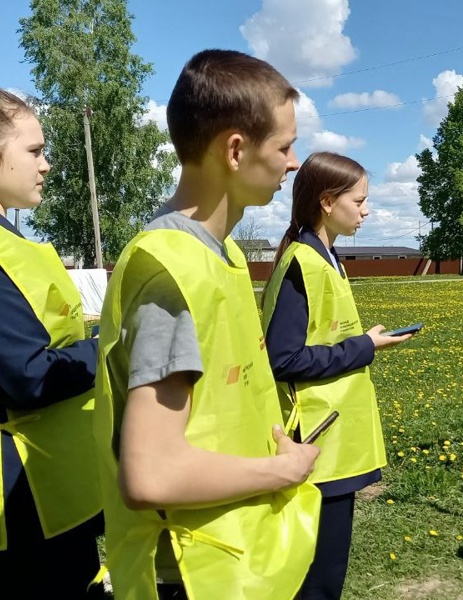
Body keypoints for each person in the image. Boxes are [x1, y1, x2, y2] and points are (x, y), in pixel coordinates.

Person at [93, 50, 322, 599]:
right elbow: (151, 476)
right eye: (285, 147)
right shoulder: (171, 272)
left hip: (237, 560)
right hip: (191, 577)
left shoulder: (225, 256)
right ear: (236, 150)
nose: (294, 164)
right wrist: (284, 470)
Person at [262, 152, 413, 599]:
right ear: (327, 201)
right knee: (318, 582)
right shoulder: (302, 263)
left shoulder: (328, 258)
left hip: (337, 442)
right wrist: (364, 346)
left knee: (328, 573)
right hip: (316, 444)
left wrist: (363, 343)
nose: (366, 211)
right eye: (360, 200)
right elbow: (282, 359)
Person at [0, 89, 103, 597]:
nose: (46, 165)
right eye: (34, 151)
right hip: (23, 495)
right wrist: (111, 347)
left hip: (51, 484)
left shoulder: (12, 241)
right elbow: (28, 375)